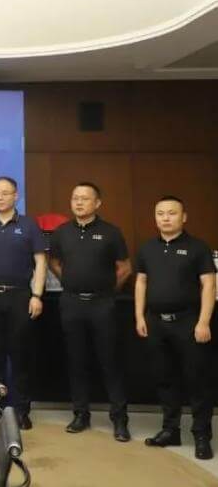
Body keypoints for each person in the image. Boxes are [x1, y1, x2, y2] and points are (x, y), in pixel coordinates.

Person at [48, 182, 131, 441]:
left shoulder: (111, 232)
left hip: (102, 304)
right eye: (75, 198)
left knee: (110, 361)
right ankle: (81, 414)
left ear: (97, 203)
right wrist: (69, 282)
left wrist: (108, 291)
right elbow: (54, 263)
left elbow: (124, 268)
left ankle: (119, 419)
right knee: (77, 361)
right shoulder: (62, 232)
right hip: (72, 303)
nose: (79, 202)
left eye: (85, 198)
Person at [135, 195, 216, 460]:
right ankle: (171, 430)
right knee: (165, 378)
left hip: (189, 323)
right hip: (156, 323)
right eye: (160, 213)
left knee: (197, 380)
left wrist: (203, 321)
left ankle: (201, 435)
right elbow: (141, 282)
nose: (165, 218)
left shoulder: (198, 248)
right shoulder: (147, 248)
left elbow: (208, 285)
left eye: (171, 213)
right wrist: (139, 316)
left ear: (184, 217)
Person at [0, 176, 46, 429]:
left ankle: (22, 410)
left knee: (20, 355)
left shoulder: (28, 225)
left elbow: (41, 261)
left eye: (5, 193)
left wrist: (37, 295)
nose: (0, 197)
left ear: (16, 196)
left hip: (20, 297)